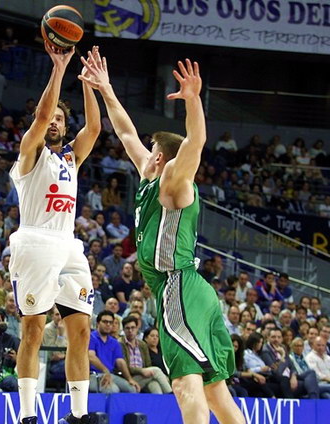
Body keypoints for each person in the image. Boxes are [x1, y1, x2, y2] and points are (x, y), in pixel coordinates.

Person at [82, 52, 243, 424]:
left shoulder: (173, 182)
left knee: (185, 384)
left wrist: (193, 100)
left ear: (164, 159)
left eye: (153, 149)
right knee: (214, 391)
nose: (147, 152)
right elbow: (123, 130)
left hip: (178, 285)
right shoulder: (150, 174)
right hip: (190, 289)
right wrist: (105, 87)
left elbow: (197, 141)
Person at [9, 44, 101, 424]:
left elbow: (94, 128)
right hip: (34, 241)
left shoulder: (71, 157)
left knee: (80, 332)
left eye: (61, 120)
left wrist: (89, 83)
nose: (54, 123)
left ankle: (78, 415)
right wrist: (59, 67)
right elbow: (44, 111)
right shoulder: (29, 154)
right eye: (49, 119)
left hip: (69, 245)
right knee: (33, 331)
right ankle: (28, 415)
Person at [88, 311, 140, 394]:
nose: (108, 324)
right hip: (93, 375)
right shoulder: (91, 337)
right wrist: (105, 371)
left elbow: (120, 362)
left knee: (132, 389)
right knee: (113, 390)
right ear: (98, 323)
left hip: (110, 375)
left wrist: (129, 379)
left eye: (110, 322)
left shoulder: (114, 342)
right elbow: (91, 356)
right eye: (105, 322)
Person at [119, 316, 172, 394]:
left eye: (133, 328)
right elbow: (124, 366)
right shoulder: (120, 344)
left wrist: (144, 371)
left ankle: (162, 404)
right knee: (156, 371)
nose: (130, 330)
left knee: (155, 385)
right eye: (127, 328)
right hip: (128, 378)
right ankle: (171, 394)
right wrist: (141, 371)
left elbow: (148, 364)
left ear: (137, 329)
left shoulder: (142, 344)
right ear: (123, 330)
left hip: (143, 376)